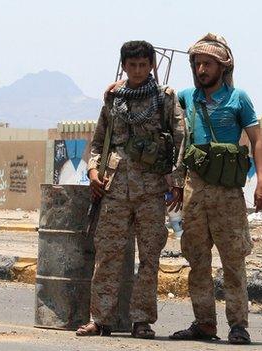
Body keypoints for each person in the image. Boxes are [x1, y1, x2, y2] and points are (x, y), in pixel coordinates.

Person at [75, 40, 185, 339]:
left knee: (149, 258)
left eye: (143, 65)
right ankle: (100, 319)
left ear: (152, 65)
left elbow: (180, 139)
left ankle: (142, 320)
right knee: (108, 255)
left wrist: (176, 181)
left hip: (151, 189)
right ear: (124, 65)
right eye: (132, 65)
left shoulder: (164, 99)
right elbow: (98, 142)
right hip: (114, 188)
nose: (137, 71)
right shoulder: (113, 100)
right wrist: (93, 170)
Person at [168, 33, 262, 345]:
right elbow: (156, 97)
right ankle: (204, 324)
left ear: (222, 67)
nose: (201, 70)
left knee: (233, 261)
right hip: (193, 189)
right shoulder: (186, 97)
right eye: (197, 64)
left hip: (227, 192)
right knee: (197, 260)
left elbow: (257, 141)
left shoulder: (239, 99)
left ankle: (238, 325)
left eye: (208, 64)